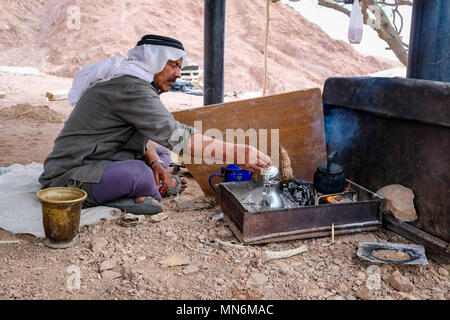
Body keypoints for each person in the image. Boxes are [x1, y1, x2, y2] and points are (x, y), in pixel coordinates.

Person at [39, 34, 272, 215]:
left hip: (105, 158)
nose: (178, 74)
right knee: (139, 175)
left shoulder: (134, 83)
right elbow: (176, 135)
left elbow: (149, 134)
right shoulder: (131, 88)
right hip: (70, 174)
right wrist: (236, 152)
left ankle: (147, 186)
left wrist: (158, 165)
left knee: (159, 153)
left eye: (179, 67)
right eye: (172, 65)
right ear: (153, 61)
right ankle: (137, 196)